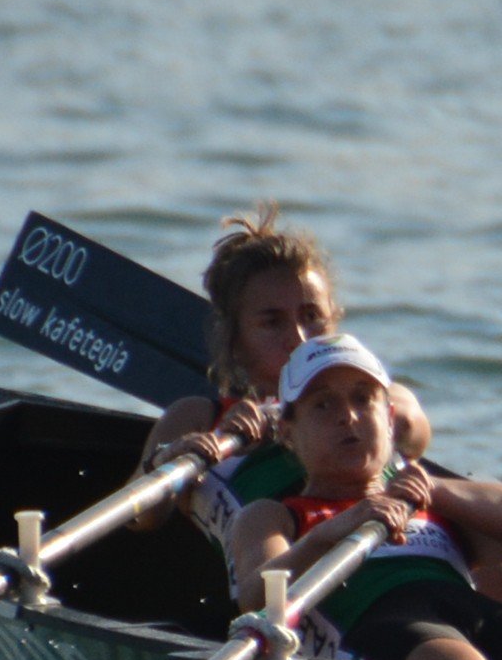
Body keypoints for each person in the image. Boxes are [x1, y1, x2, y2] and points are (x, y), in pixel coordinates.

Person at [221, 334, 502, 660]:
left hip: (478, 615)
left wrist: (437, 490)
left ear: (389, 419)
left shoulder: (424, 496)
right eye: (323, 405)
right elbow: (256, 597)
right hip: (386, 630)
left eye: (363, 399)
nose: (348, 416)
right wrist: (329, 535)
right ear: (287, 433)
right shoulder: (275, 515)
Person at [143, 209, 433, 520]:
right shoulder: (198, 418)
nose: (299, 338)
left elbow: (410, 426)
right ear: (236, 342)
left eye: (311, 316)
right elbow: (142, 518)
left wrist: (277, 417)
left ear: (334, 320)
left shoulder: (378, 399)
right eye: (273, 322)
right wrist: (169, 461)